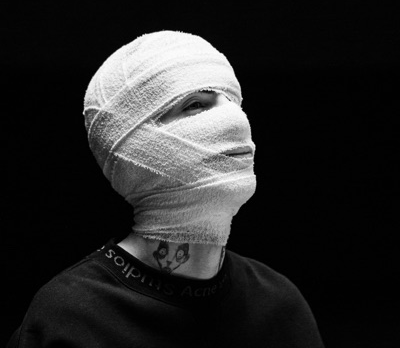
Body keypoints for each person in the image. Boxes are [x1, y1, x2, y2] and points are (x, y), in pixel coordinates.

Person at [7, 31, 325, 347]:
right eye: (195, 104)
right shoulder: (69, 321)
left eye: (232, 101)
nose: (236, 121)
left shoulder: (279, 308)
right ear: (135, 148)